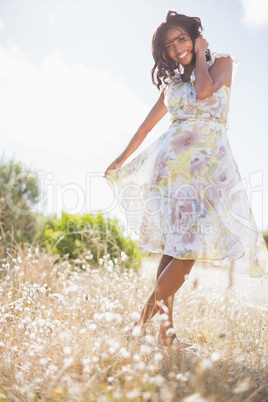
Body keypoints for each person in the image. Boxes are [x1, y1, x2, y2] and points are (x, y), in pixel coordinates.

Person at [103, 11, 268, 348]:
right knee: (175, 248)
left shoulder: (222, 63)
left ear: (195, 35)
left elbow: (205, 91)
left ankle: (142, 325)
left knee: (187, 248)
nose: (177, 48)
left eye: (181, 38)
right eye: (169, 45)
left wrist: (204, 53)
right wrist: (121, 158)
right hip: (172, 167)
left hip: (207, 166)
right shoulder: (173, 84)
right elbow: (147, 126)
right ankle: (164, 332)